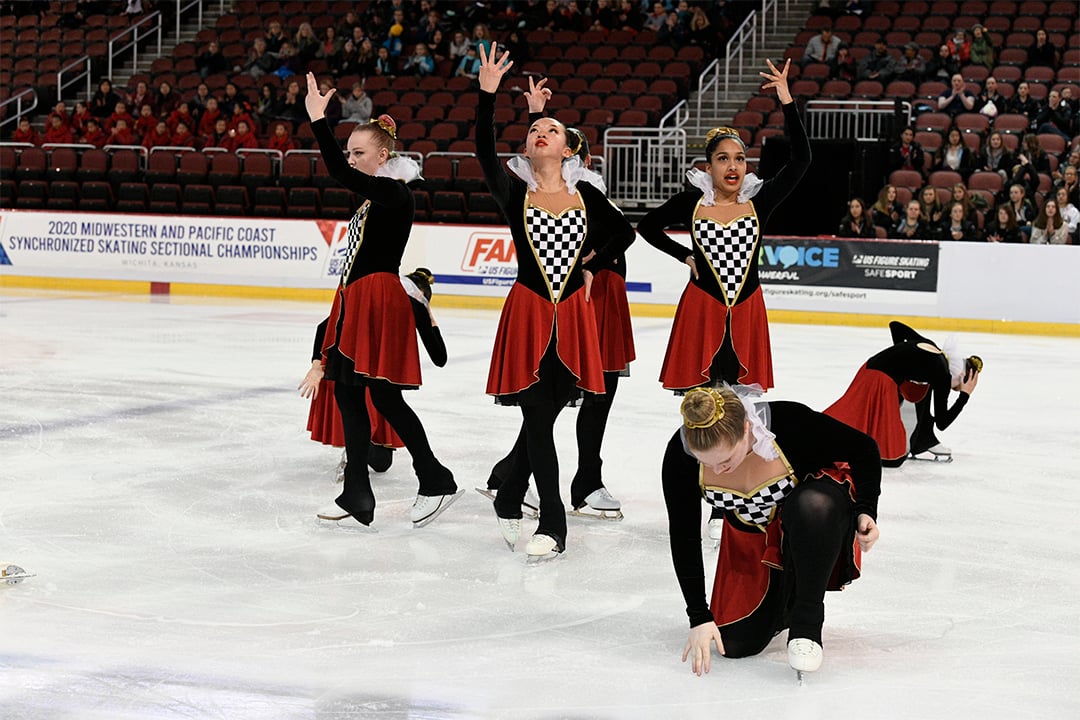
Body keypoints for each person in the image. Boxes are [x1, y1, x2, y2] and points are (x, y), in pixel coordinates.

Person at [474, 49, 635, 559]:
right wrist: (487, 94)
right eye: (534, 131)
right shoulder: (514, 192)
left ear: (569, 152)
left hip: (573, 320)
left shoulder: (587, 198)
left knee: (540, 420)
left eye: (553, 131)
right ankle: (553, 522)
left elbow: (626, 233)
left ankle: (508, 497)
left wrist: (593, 264)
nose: (541, 134)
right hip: (528, 314)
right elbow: (482, 149)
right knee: (540, 419)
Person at [303, 73, 460, 529]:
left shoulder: (394, 193)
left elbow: (336, 172)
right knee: (352, 397)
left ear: (384, 156)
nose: (351, 160)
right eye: (349, 152)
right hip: (359, 299)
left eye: (359, 153)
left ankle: (434, 477)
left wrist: (318, 121)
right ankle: (359, 490)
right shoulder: (374, 201)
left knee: (385, 400)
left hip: (376, 299)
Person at [663, 385, 881, 678]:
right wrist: (699, 617)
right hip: (750, 542)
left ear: (746, 429)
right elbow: (684, 535)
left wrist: (866, 509)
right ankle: (783, 601)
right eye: (707, 463)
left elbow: (864, 449)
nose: (718, 470)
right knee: (735, 644)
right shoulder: (680, 455)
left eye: (726, 460)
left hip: (812, 522)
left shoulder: (790, 423)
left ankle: (807, 623)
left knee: (812, 505)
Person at [639, 58, 809, 394]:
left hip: (747, 311)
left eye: (740, 158)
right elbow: (647, 226)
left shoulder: (760, 201)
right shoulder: (692, 203)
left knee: (741, 408)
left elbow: (801, 160)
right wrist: (685, 256)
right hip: (701, 310)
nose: (733, 166)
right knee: (702, 408)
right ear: (709, 165)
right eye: (723, 158)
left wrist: (787, 102)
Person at [300, 268, 447, 481]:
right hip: (362, 379)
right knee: (372, 413)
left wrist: (317, 367)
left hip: (367, 378)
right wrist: (429, 315)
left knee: (381, 461)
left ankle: (358, 457)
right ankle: (357, 460)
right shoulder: (408, 302)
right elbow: (440, 357)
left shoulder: (379, 293)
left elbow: (326, 325)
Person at [825, 321, 981, 465]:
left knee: (922, 388)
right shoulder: (943, 374)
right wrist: (964, 396)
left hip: (869, 368)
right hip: (878, 382)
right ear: (960, 375)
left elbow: (896, 326)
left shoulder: (934, 349)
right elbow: (942, 422)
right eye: (956, 388)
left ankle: (923, 438)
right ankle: (922, 439)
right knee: (893, 458)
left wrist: (899, 360)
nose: (952, 389)